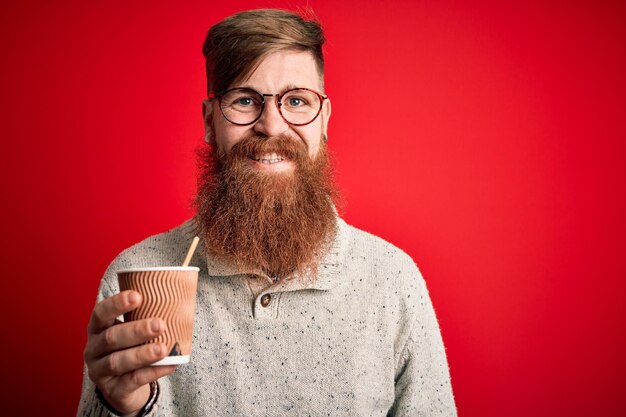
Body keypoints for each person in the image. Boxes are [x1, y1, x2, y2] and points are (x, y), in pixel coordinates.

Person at [78, 8, 456, 417]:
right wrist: (124, 406)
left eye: (296, 101)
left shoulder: (391, 279)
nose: (272, 126)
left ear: (324, 119)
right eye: (245, 100)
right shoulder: (137, 278)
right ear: (210, 121)